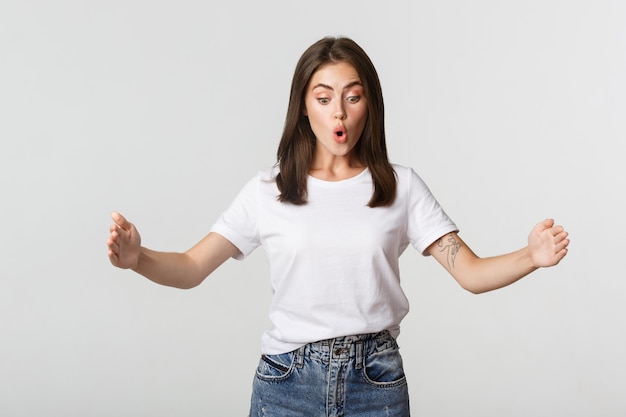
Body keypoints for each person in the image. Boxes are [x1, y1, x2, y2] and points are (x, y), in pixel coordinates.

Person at [106, 36, 569, 416]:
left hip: (376, 382)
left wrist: (532, 256)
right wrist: (137, 259)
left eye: (352, 96)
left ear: (370, 104)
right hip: (286, 384)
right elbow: (191, 266)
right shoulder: (268, 190)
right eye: (324, 98)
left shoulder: (400, 187)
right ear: (304, 108)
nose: (339, 113)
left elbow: (470, 272)